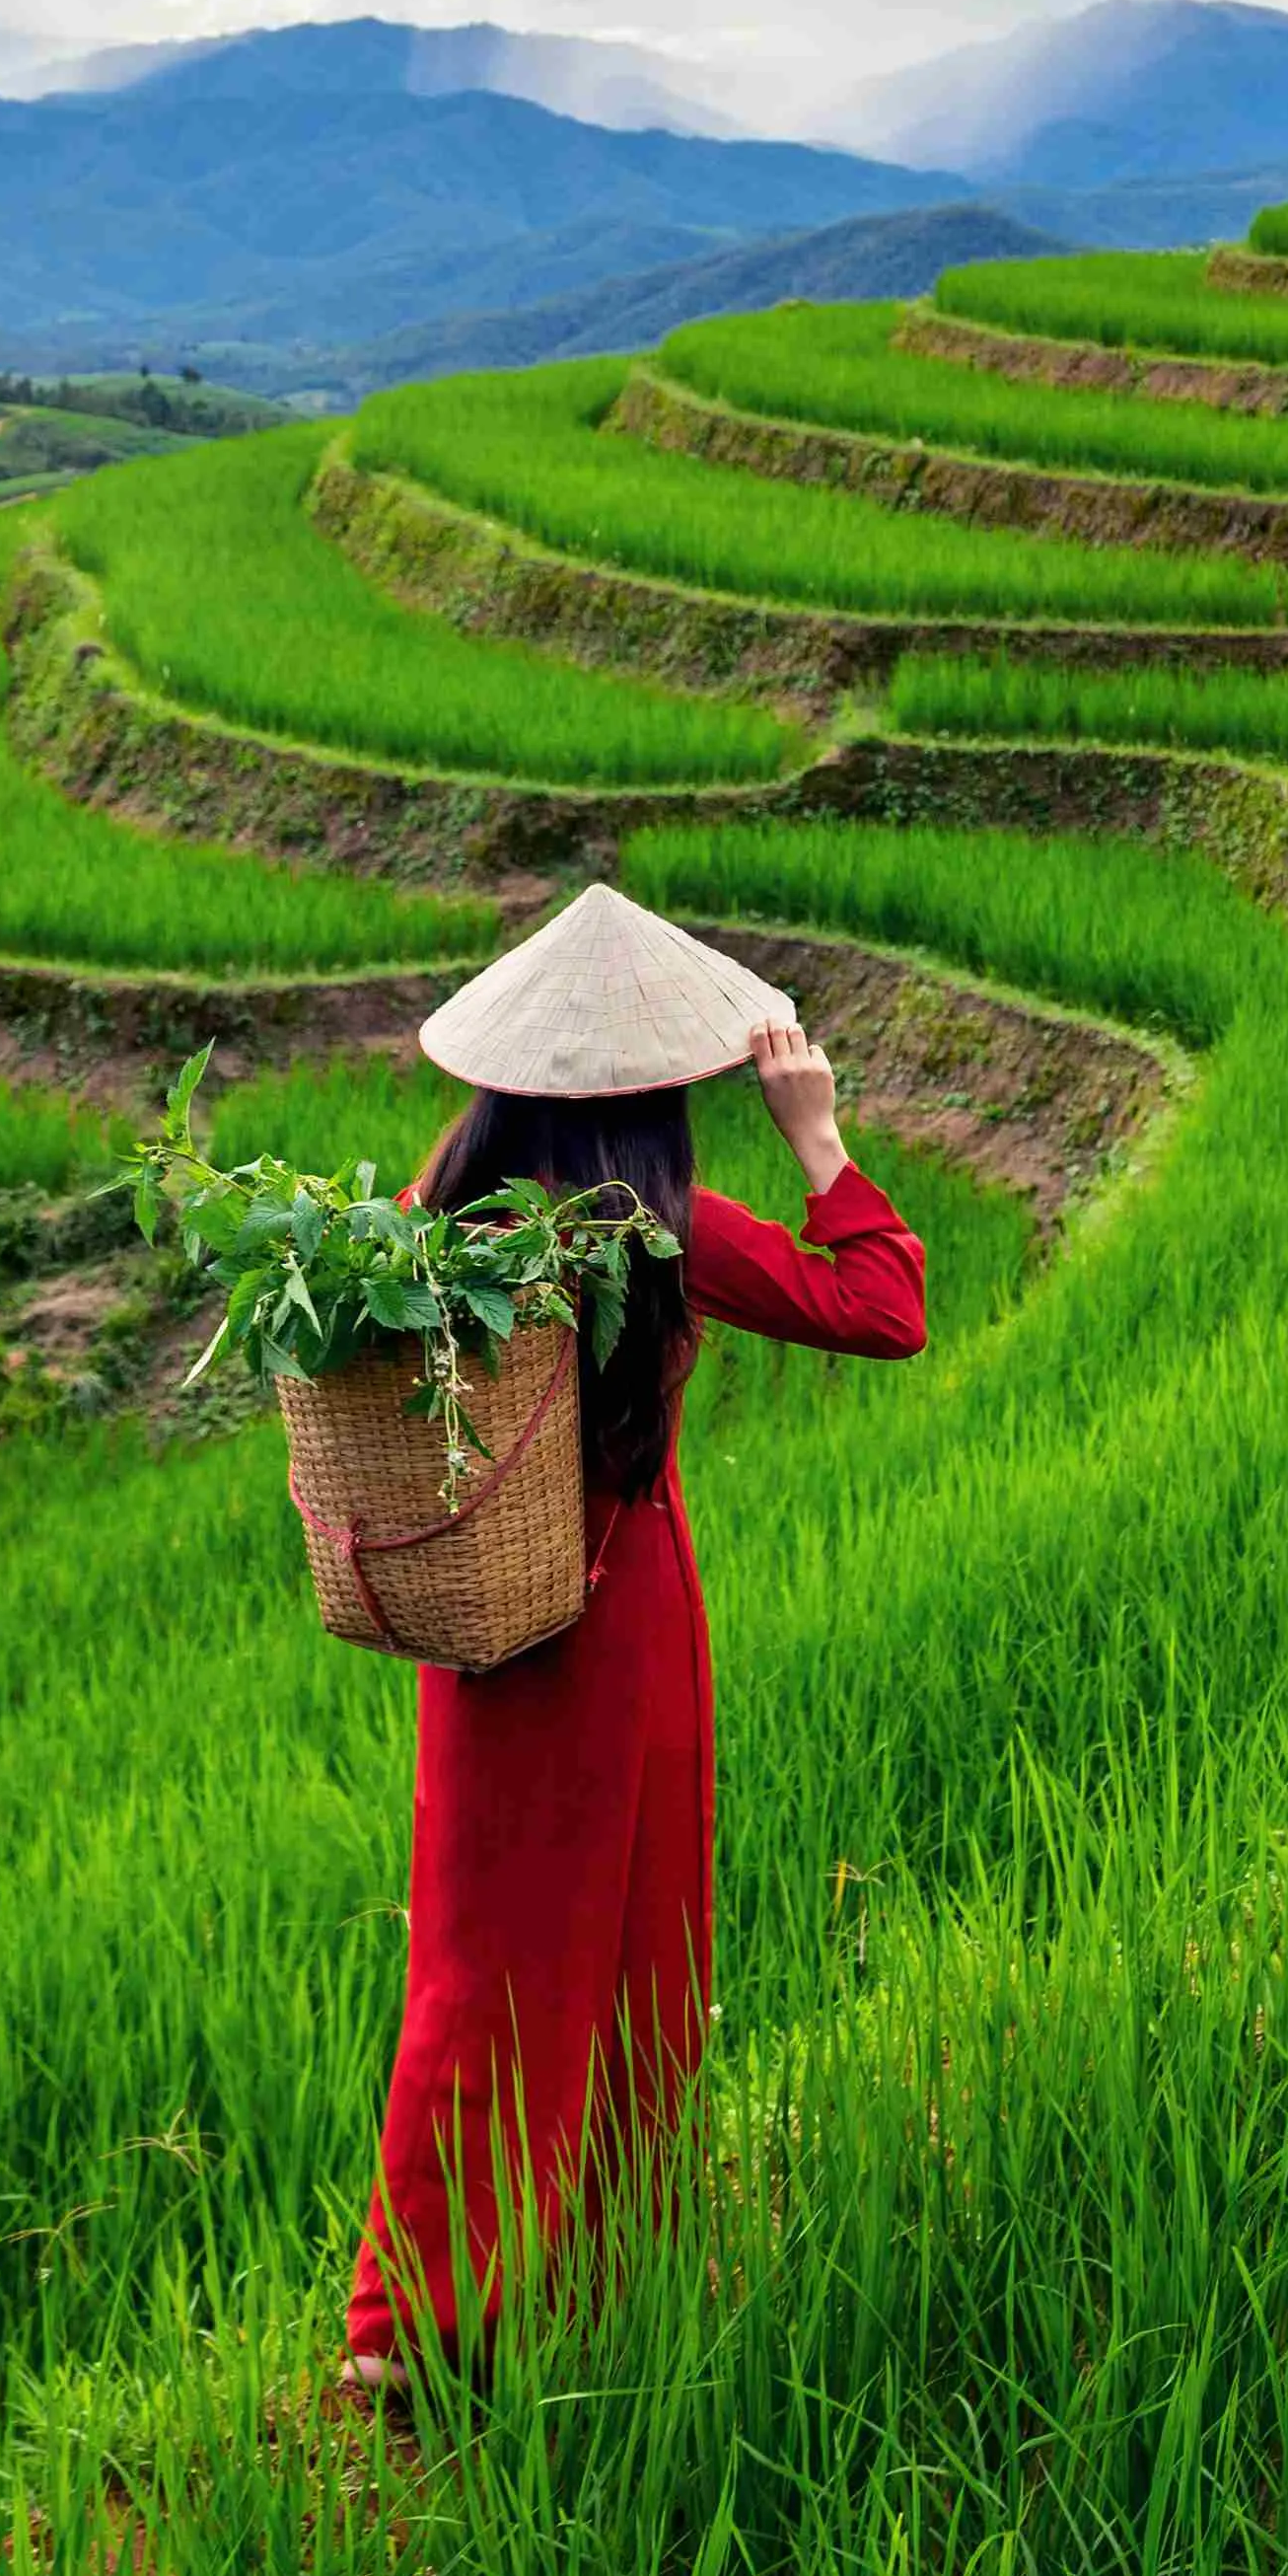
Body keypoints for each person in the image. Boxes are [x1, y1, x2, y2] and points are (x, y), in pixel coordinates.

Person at [344, 883, 932, 2410]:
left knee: (476, 1959)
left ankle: (406, 2322)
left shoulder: (438, 1222)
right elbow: (882, 1308)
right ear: (660, 1093)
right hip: (632, 1622)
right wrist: (817, 1136)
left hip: (487, 1641)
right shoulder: (663, 1230)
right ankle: (605, 2266)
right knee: (631, 1942)